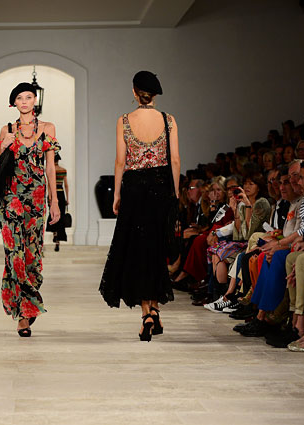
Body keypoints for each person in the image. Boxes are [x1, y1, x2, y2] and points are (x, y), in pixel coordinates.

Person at [99, 71, 180, 341]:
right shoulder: (168, 120)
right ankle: (154, 310)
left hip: (134, 188)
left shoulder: (124, 120)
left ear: (134, 92)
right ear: (154, 94)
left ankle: (147, 313)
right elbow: (175, 160)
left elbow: (120, 161)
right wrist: (175, 194)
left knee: (139, 249)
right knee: (156, 248)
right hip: (160, 187)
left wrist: (116, 194)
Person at [0, 82, 61, 337]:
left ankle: (28, 303)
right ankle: (23, 314)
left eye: (29, 97)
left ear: (35, 101)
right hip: (10, 198)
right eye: (20, 98)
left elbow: (50, 167)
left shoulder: (47, 128)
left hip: (36, 199)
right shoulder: (7, 130)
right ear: (14, 103)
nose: (24, 101)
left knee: (32, 255)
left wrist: (54, 201)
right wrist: (4, 146)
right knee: (15, 254)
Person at [46, 153, 69, 251]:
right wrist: (67, 198)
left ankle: (55, 234)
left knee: (52, 215)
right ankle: (58, 240)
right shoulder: (63, 170)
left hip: (53, 194)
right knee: (61, 216)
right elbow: (66, 185)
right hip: (61, 193)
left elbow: (49, 185)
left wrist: (50, 197)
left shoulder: (51, 170)